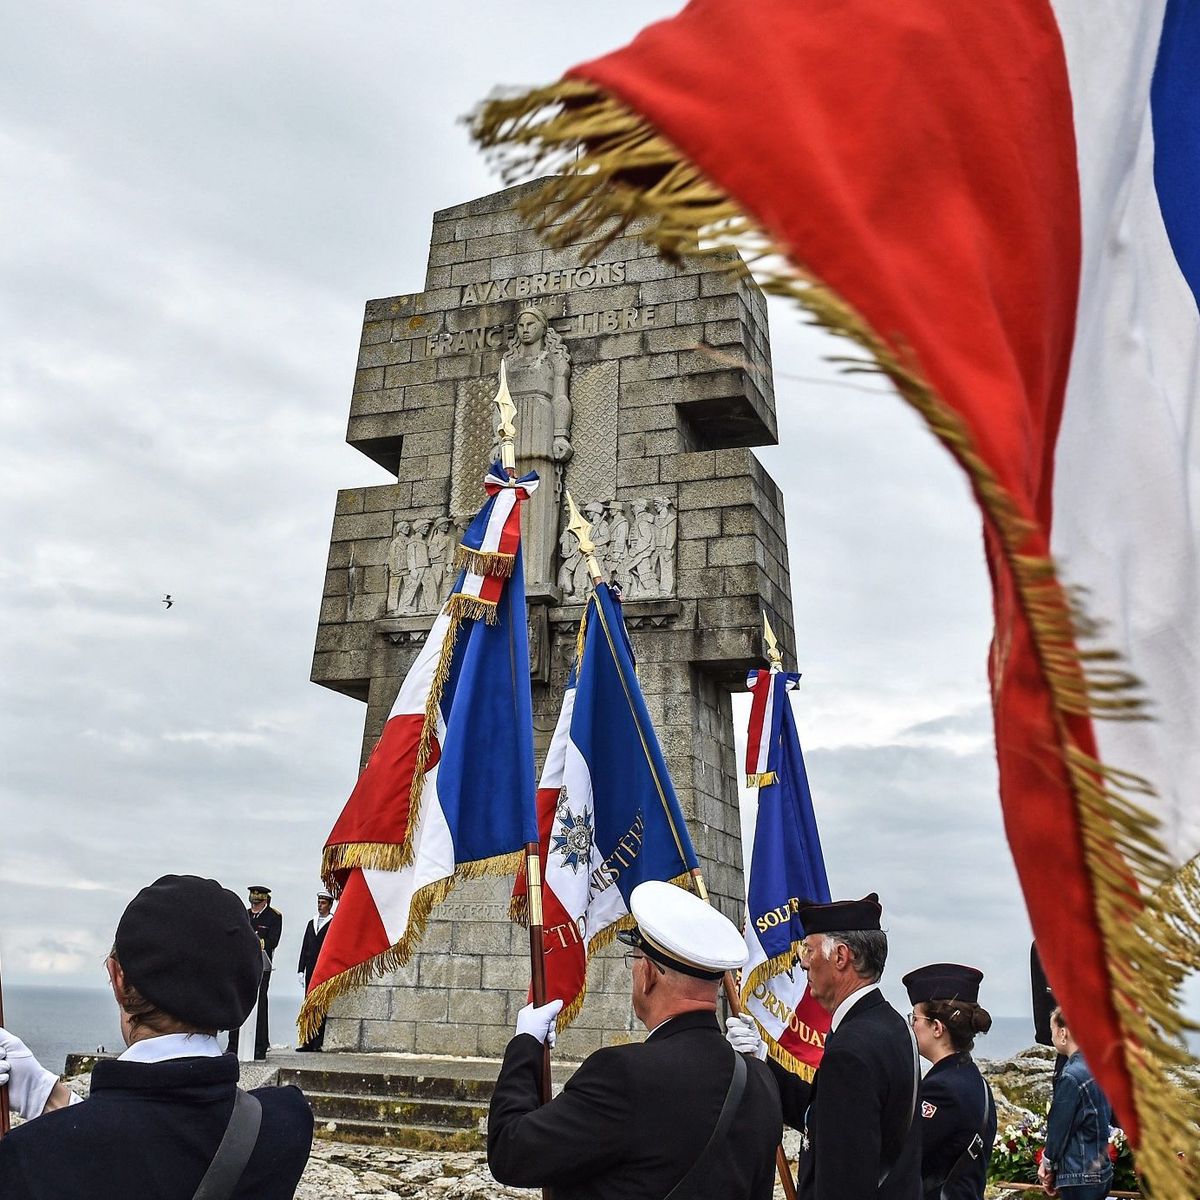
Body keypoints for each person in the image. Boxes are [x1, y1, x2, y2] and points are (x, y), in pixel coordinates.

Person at [0, 874, 312, 1198]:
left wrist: (44, 1101)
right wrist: (50, 1096)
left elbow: (125, 1144)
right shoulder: (284, 1123)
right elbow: (162, 1142)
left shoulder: (27, 1157)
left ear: (117, 977)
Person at [488, 880, 783, 1199]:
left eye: (635, 960)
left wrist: (525, 1045)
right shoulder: (759, 1079)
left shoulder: (622, 1075)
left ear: (648, 975)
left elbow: (511, 1151)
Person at [726, 893, 922, 1200]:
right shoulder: (892, 1026)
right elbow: (820, 1115)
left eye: (809, 949)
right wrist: (762, 1059)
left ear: (841, 957)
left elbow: (843, 1181)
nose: (802, 962)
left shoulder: (851, 1050)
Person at [901, 963, 997, 1199]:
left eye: (915, 1017)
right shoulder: (973, 1080)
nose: (911, 1025)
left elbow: (903, 1156)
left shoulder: (944, 1089)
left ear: (936, 1028)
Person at [1037, 1008, 1113, 1200]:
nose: (1052, 1035)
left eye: (1052, 1029)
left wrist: (1047, 1165)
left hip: (1079, 1176)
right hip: (1101, 1171)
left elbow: (1059, 1128)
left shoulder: (1071, 1076)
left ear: (1063, 1033)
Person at [227, 884, 281, 1060]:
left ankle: (260, 1046)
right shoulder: (245, 914)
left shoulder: (274, 917)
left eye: (257, 903)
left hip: (261, 966)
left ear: (265, 900)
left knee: (260, 1004)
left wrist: (253, 941)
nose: (254, 906)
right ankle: (233, 1045)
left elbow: (272, 940)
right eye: (253, 903)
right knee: (237, 1001)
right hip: (242, 965)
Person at [296, 890, 335, 1052]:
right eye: (319, 902)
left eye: (323, 903)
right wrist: (300, 968)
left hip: (324, 969)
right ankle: (307, 1041)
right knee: (309, 1004)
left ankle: (318, 1042)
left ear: (330, 904)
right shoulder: (311, 922)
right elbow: (305, 946)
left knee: (321, 1005)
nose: (320, 905)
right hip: (310, 969)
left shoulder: (333, 923)